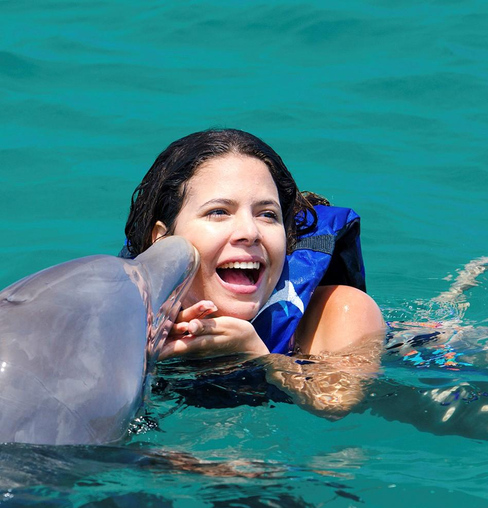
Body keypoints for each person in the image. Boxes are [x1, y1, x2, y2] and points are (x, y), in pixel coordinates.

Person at [123, 128, 386, 418]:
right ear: (162, 240)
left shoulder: (338, 311)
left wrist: (254, 353)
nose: (250, 232)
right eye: (219, 212)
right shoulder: (130, 321)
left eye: (267, 214)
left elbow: (335, 404)